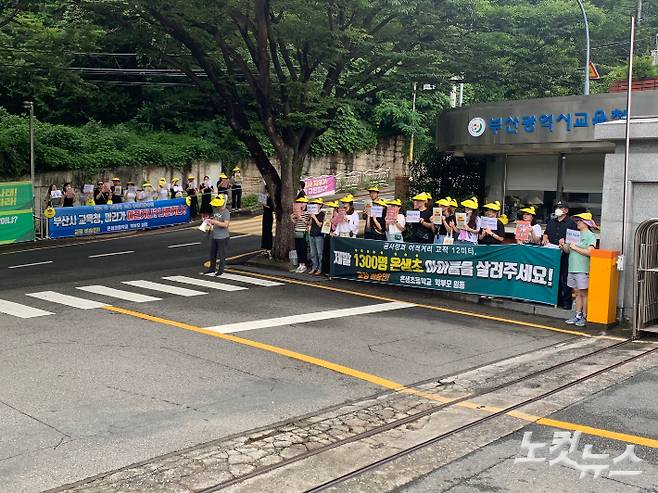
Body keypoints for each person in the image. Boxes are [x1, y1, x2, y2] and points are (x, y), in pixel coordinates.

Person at [561, 212, 597, 327]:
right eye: (577, 221)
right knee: (576, 292)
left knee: (583, 293)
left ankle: (585, 316)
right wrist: (563, 245)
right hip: (572, 267)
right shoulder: (575, 235)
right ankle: (577, 315)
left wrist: (575, 247)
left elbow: (590, 252)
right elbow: (568, 250)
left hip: (582, 268)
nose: (578, 223)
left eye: (580, 221)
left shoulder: (590, 235)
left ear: (586, 223)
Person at [542, 200, 578, 309]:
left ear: (566, 210)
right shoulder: (551, 222)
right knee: (553, 276)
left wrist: (565, 241)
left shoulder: (572, 223)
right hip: (552, 253)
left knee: (566, 277)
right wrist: (545, 237)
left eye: (561, 207)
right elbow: (546, 233)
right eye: (557, 207)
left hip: (566, 254)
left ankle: (567, 302)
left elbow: (575, 239)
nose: (558, 209)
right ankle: (556, 299)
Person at [205, 195, 231, 276]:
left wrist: (215, 222)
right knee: (212, 253)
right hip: (215, 235)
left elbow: (226, 224)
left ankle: (221, 270)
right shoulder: (215, 210)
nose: (216, 206)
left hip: (223, 237)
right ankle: (212, 268)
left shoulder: (226, 212)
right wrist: (209, 222)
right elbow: (214, 218)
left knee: (221, 254)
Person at [291, 196, 310, 273]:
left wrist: (301, 218)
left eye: (303, 202)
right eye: (300, 203)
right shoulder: (296, 212)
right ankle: (300, 264)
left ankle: (304, 264)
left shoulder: (307, 213)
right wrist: (292, 218)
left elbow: (308, 223)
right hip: (297, 232)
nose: (302, 204)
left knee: (303, 249)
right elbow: (295, 223)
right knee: (298, 249)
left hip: (303, 232)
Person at [308, 198, 326, 275]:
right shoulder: (312, 214)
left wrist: (315, 217)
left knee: (319, 253)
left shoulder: (322, 214)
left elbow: (320, 224)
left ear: (320, 205)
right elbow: (309, 223)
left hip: (319, 235)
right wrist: (311, 218)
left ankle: (320, 268)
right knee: (313, 253)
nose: (316, 205)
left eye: (317, 204)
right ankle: (314, 267)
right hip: (312, 234)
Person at [261, 185, 274, 257]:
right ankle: (264, 247)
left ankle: (269, 247)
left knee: (269, 230)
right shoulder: (264, 196)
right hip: (265, 214)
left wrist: (265, 205)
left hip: (269, 214)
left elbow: (272, 207)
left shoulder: (271, 197)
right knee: (264, 230)